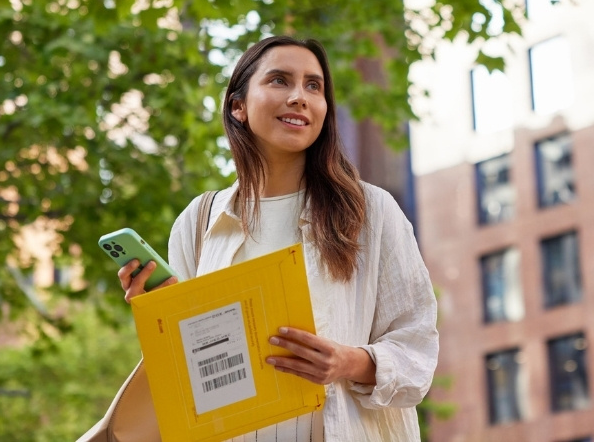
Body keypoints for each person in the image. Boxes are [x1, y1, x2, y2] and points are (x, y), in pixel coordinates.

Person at [118, 35, 439, 441]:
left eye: (313, 86)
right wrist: (157, 316)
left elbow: (418, 349)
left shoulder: (370, 212)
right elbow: (183, 381)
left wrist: (348, 362)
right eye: (279, 81)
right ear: (238, 107)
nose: (299, 97)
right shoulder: (198, 222)